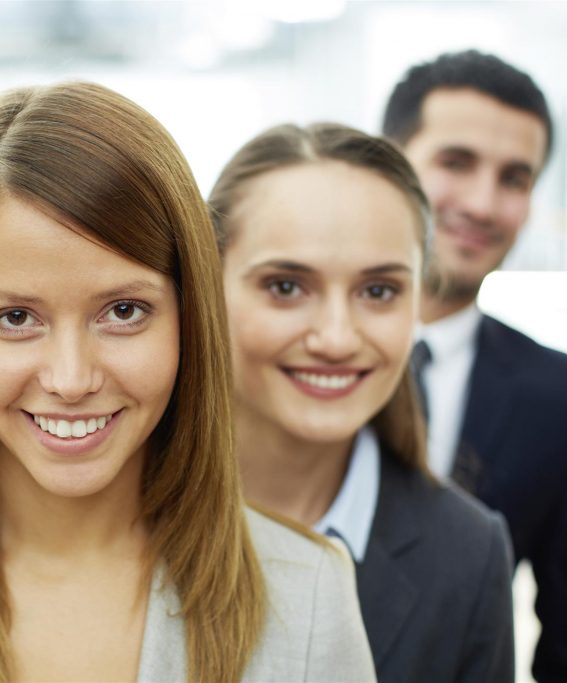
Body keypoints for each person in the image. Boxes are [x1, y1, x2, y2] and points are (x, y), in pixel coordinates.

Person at [0, 82, 376, 682]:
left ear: (191, 319)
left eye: (124, 311)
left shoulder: (309, 594)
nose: (71, 378)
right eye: (15, 318)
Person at [208, 122, 514, 682]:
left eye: (379, 291)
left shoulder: (467, 555)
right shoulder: (107, 508)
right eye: (285, 286)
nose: (337, 338)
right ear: (207, 284)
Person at [383, 50, 567, 680]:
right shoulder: (266, 355)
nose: (482, 203)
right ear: (390, 164)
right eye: (456, 162)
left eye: (514, 178)